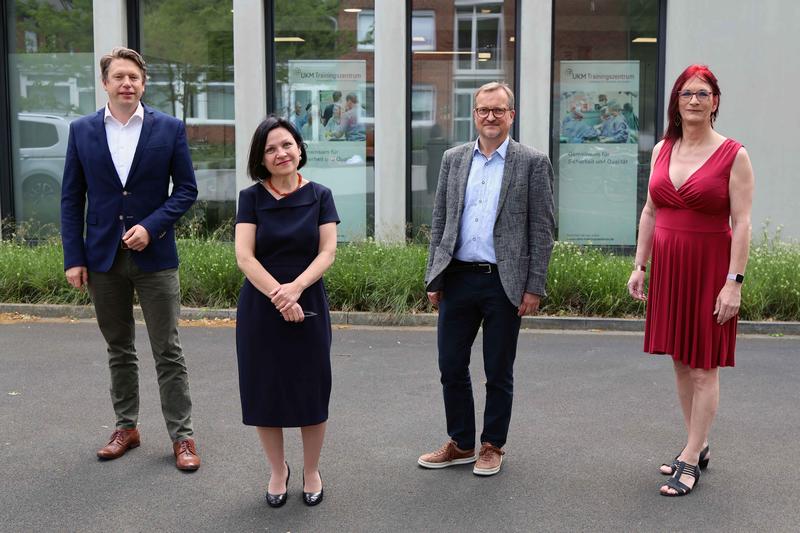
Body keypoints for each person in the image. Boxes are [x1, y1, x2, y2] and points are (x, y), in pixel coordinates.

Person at [60, 47, 201, 471]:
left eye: (134, 78)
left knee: (168, 350)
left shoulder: (170, 128)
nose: (127, 84)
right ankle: (127, 427)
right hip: (102, 259)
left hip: (156, 256)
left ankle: (183, 437)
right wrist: (74, 257)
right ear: (105, 83)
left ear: (143, 84)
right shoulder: (82, 130)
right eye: (119, 76)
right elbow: (71, 199)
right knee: (119, 349)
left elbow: (186, 190)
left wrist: (152, 225)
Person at [627, 64, 755, 496]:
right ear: (676, 103)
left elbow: (743, 222)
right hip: (669, 268)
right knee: (680, 361)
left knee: (704, 366)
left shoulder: (734, 154)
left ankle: (690, 457)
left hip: (708, 269)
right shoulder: (664, 147)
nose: (694, 100)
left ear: (715, 102)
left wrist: (733, 282)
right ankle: (695, 445)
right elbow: (650, 210)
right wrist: (640, 264)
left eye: (703, 93)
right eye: (686, 94)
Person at [419, 82, 555, 476]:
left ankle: (492, 445)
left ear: (511, 115)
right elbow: (441, 220)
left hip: (504, 283)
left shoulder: (532, 162)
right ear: (474, 115)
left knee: (498, 370)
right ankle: (461, 443)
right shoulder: (453, 159)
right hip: (458, 277)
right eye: (483, 110)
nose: (490, 117)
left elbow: (542, 230)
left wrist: (534, 286)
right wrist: (434, 276)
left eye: (498, 110)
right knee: (450, 366)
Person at [234, 116, 339, 507]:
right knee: (266, 390)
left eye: (287, 145)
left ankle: (311, 470)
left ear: (299, 148)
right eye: (271, 148)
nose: (281, 153)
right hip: (261, 307)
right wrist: (279, 295)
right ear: (260, 158)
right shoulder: (251, 198)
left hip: (308, 300)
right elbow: (244, 256)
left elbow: (327, 252)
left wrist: (295, 290)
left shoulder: (320, 195)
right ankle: (278, 470)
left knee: (311, 389)